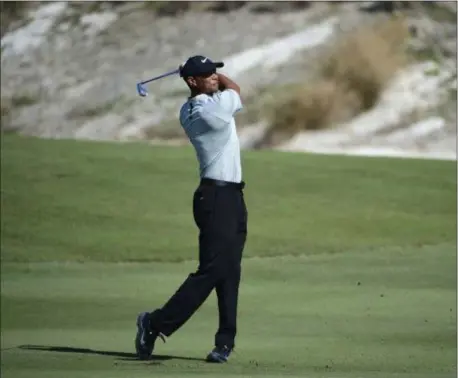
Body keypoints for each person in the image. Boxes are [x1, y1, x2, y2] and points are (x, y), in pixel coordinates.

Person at [135, 55, 248, 363]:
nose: (214, 77)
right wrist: (216, 81)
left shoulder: (199, 104)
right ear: (191, 82)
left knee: (230, 272)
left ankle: (224, 343)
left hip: (233, 197)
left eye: (215, 73)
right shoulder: (203, 111)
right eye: (206, 75)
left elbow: (229, 88)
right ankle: (154, 322)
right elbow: (235, 88)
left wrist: (207, 74)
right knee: (212, 270)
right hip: (214, 198)